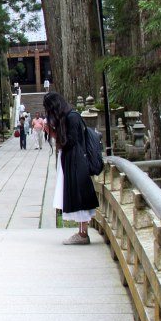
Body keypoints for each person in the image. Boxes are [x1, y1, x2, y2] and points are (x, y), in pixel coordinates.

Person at [43, 92, 99, 245]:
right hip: (72, 161)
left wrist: (53, 132)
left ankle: (83, 234)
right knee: (77, 196)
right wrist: (52, 131)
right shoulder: (68, 117)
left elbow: (71, 141)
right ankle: (81, 232)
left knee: (79, 196)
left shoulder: (72, 117)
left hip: (76, 162)